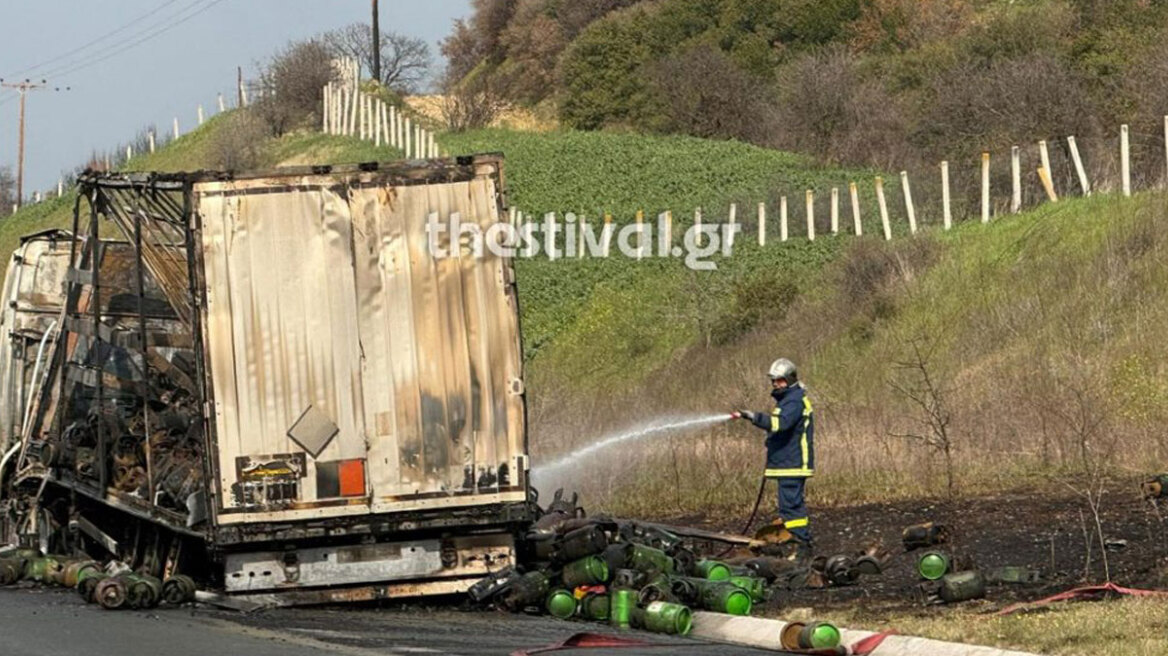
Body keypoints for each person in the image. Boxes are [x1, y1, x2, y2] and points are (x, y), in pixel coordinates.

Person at [733, 358, 815, 557]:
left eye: (779, 380)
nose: (775, 384)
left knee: (792, 508)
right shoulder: (789, 400)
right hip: (787, 463)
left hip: (792, 463)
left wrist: (754, 417)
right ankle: (797, 542)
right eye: (773, 381)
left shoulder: (794, 401)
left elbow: (780, 424)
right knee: (788, 507)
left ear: (789, 379)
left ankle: (801, 544)